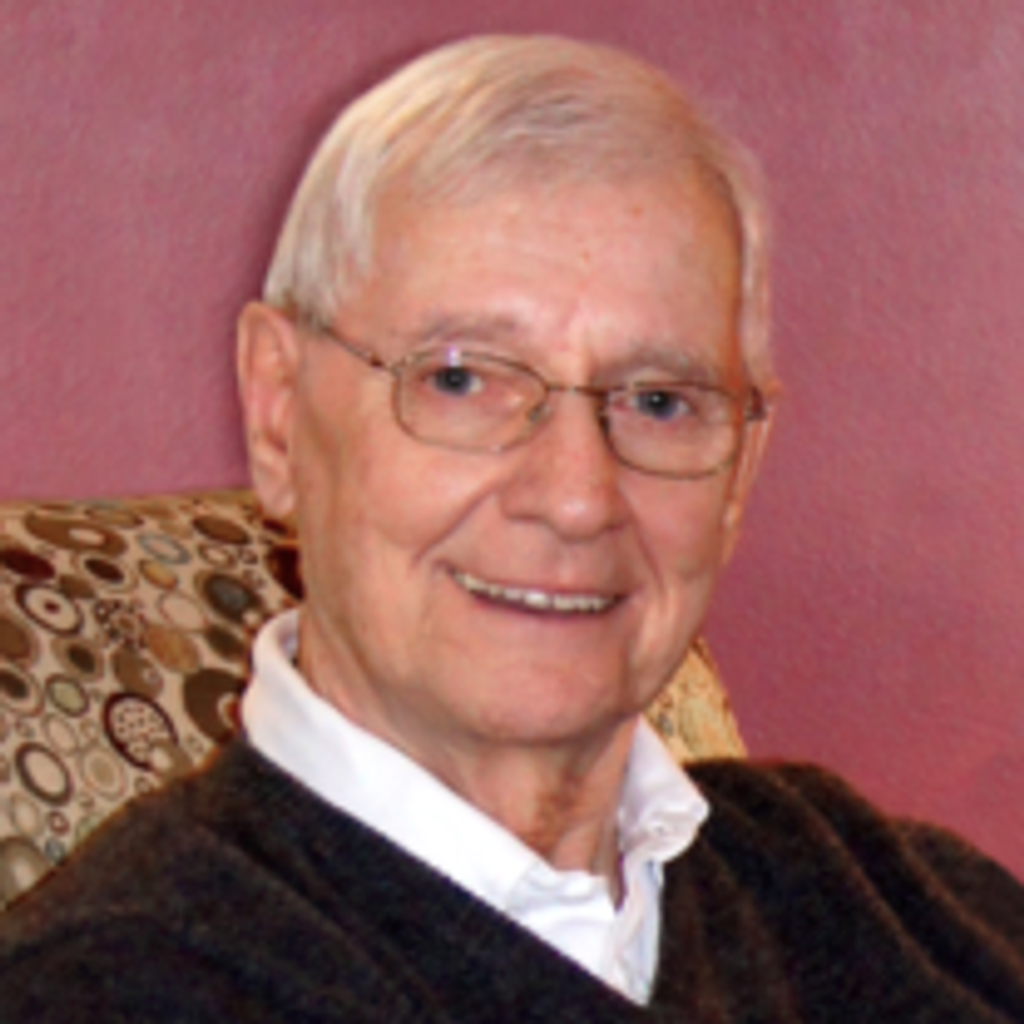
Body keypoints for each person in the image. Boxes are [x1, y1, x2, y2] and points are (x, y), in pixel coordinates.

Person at [1, 34, 1022, 1023]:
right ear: (279, 414)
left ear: (739, 472)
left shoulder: (884, 899)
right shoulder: (116, 984)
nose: (576, 498)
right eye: (459, 380)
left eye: (658, 400)